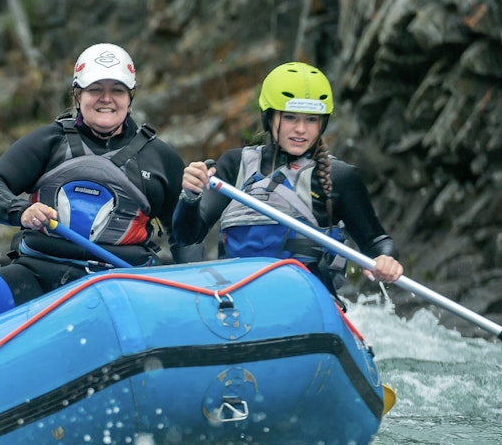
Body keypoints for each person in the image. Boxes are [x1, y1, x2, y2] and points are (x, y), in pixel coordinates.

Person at [0, 42, 186, 331]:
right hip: (39, 273)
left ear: (130, 97)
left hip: (121, 281)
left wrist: (193, 289)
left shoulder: (161, 159)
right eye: (96, 89)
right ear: (77, 94)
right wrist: (21, 211)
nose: (106, 99)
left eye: (118, 90)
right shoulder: (48, 142)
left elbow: (185, 236)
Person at [173, 60, 403, 297]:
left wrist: (386, 259)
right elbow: (187, 235)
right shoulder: (235, 165)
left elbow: (377, 242)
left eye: (312, 119)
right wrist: (190, 196)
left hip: (307, 302)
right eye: (291, 117)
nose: (301, 129)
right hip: (238, 297)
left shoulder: (340, 177)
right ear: (269, 117)